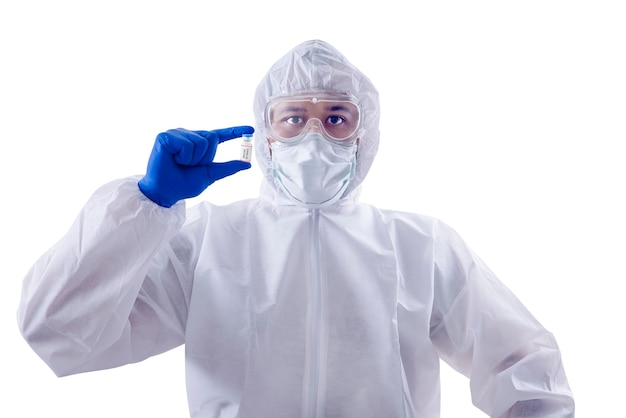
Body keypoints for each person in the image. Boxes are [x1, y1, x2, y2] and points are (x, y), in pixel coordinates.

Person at [17, 39, 575, 418]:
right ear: (263, 136)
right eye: (293, 118)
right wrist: (145, 205)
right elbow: (59, 333)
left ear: (365, 134)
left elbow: (523, 364)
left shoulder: (419, 245)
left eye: (336, 117)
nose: (314, 135)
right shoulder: (208, 244)